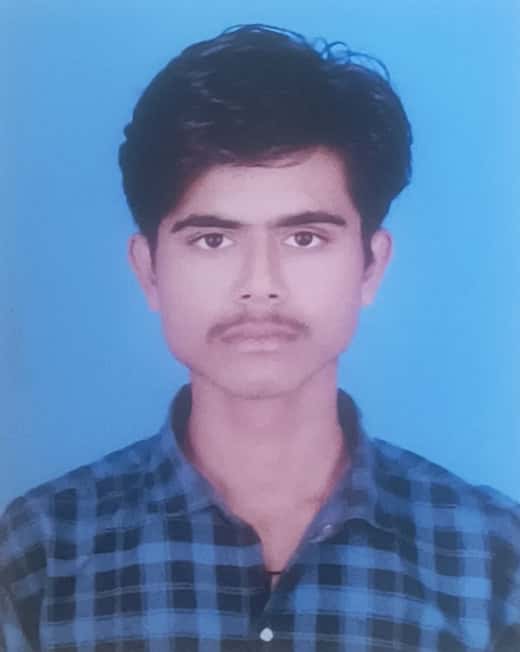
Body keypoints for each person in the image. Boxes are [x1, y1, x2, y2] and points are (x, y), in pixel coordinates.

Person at [1, 24, 518, 652]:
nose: (260, 285)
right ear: (149, 271)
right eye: (213, 239)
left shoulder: (493, 562)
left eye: (304, 238)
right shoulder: (39, 559)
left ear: (371, 266)